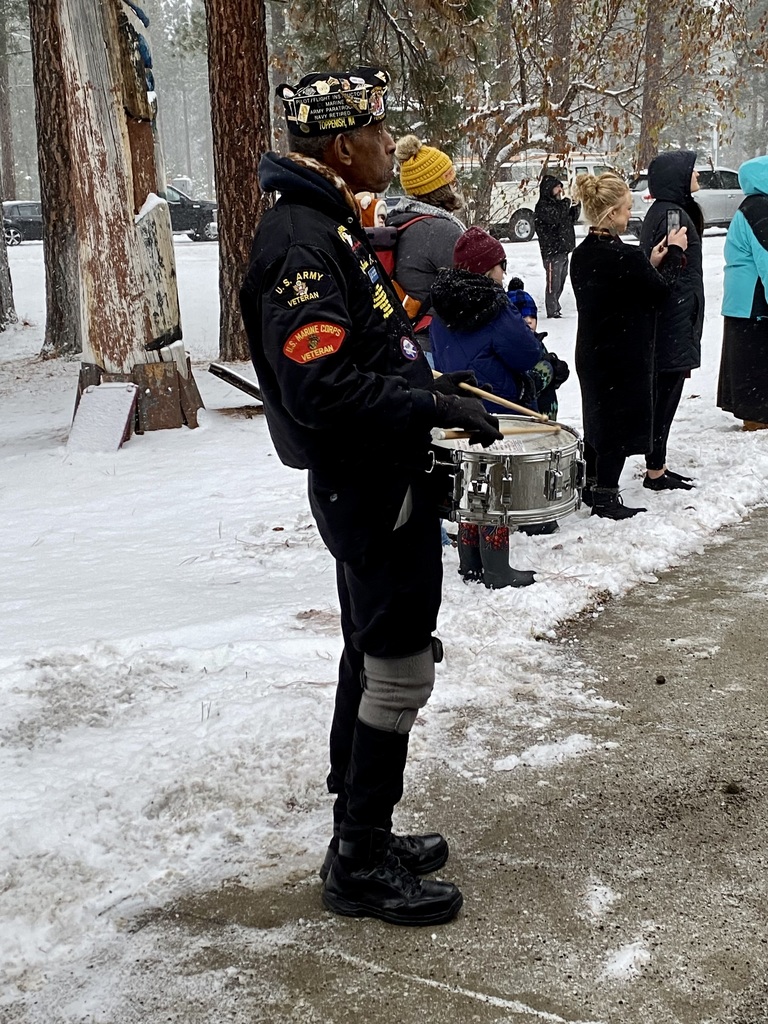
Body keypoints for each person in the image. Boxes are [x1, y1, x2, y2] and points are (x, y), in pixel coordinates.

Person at [240, 66, 502, 927]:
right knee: (395, 663)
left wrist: (436, 381)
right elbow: (320, 389)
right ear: (344, 146)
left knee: (371, 653)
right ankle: (359, 861)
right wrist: (427, 402)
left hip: (382, 476)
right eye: (384, 137)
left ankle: (363, 829)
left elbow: (364, 353)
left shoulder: (328, 225)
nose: (396, 148)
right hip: (367, 482)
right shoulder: (302, 240)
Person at [430, 226, 561, 587]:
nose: (504, 272)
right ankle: (498, 570)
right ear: (490, 269)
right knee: (495, 489)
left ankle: (470, 562)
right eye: (501, 265)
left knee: (472, 483)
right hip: (500, 405)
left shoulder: (440, 304)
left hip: (457, 404)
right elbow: (525, 354)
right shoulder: (493, 305)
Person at [570, 172, 688, 519]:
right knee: (617, 425)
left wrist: (648, 263)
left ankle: (593, 487)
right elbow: (661, 293)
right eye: (624, 210)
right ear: (610, 214)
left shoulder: (583, 254)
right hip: (623, 353)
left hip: (592, 349)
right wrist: (674, 256)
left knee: (597, 418)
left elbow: (618, 288)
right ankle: (607, 495)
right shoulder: (624, 258)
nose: (628, 216)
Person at [639, 151, 704, 490]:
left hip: (674, 318)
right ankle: (655, 470)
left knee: (665, 394)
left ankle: (657, 466)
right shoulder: (672, 214)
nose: (698, 178)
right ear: (677, 177)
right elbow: (667, 271)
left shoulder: (669, 210)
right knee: (665, 396)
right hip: (671, 321)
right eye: (693, 172)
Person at [387, 134, 466, 365]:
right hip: (438, 346)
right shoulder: (440, 230)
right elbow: (475, 290)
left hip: (411, 343)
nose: (455, 186)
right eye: (451, 181)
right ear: (440, 188)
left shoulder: (400, 220)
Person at [717, 155, 768, 431]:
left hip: (743, 301)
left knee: (748, 360)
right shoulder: (760, 209)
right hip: (753, 301)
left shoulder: (752, 206)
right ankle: (757, 416)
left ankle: (754, 412)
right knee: (755, 361)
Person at [506, 276, 570, 420]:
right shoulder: (511, 348)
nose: (529, 321)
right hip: (531, 421)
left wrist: (557, 376)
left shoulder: (538, 344)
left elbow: (545, 386)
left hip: (548, 420)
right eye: (523, 316)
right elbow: (528, 386)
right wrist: (547, 369)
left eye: (532, 316)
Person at [533, 174, 580, 319]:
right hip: (552, 251)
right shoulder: (543, 207)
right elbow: (555, 217)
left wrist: (576, 206)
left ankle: (556, 305)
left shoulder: (559, 205)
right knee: (553, 282)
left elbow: (569, 218)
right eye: (557, 187)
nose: (560, 190)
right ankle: (552, 309)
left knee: (561, 279)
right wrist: (566, 203)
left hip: (563, 249)